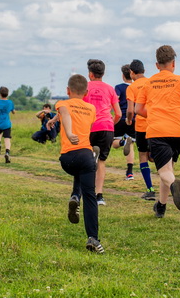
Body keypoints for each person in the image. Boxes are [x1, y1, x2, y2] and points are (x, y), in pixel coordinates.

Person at [135, 45, 180, 218]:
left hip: (158, 131)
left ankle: (174, 185)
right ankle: (161, 206)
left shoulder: (148, 83)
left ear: (157, 65)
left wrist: (153, 114)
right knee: (168, 168)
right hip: (178, 131)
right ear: (173, 63)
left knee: (164, 172)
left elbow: (138, 109)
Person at [47, 74, 103, 253]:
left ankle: (74, 197)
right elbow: (67, 115)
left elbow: (65, 113)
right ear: (86, 93)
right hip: (85, 155)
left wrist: (60, 125)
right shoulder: (91, 108)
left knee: (80, 170)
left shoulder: (62, 103)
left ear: (67, 90)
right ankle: (93, 238)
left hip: (67, 159)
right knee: (90, 195)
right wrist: (69, 130)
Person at [84, 59, 122, 206]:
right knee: (101, 161)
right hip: (106, 126)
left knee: (86, 159)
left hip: (89, 127)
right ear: (103, 73)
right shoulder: (110, 89)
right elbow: (118, 114)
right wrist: (110, 123)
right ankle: (99, 196)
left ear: (90, 74)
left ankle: (85, 191)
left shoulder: (85, 87)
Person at [125, 59, 156, 200]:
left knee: (143, 156)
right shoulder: (152, 83)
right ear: (144, 70)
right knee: (156, 156)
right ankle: (168, 182)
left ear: (131, 72)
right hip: (155, 124)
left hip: (142, 126)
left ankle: (150, 189)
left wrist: (129, 119)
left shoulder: (131, 87)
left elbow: (130, 110)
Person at [111, 64, 136, 180]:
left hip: (121, 118)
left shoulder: (119, 87)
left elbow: (115, 100)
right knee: (131, 145)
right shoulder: (136, 87)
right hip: (133, 119)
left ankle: (122, 142)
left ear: (123, 75)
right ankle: (130, 173)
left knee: (113, 143)